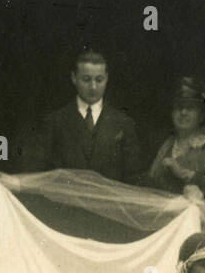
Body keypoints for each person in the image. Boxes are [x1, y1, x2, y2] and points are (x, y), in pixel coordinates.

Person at [30, 49, 144, 183]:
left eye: (99, 80)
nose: (93, 87)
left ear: (107, 78)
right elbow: (40, 174)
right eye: (86, 79)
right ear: (74, 78)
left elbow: (133, 177)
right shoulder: (55, 121)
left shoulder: (124, 123)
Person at [147, 77, 205, 222]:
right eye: (178, 107)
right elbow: (152, 181)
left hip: (199, 222)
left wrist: (185, 174)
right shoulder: (168, 144)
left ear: (201, 115)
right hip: (166, 221)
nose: (183, 112)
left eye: (190, 108)